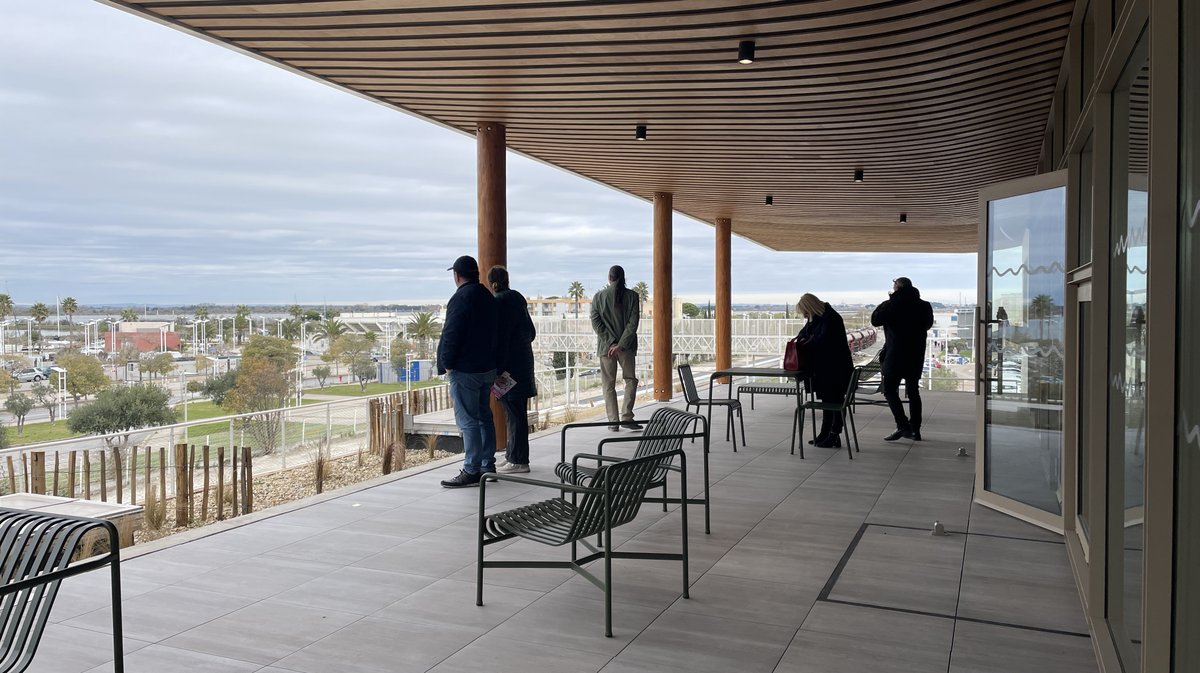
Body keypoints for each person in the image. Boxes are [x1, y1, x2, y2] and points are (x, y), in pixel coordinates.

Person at [437, 255, 499, 487]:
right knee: (484, 416)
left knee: (468, 420)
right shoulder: (488, 297)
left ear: (457, 275)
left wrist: (447, 362)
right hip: (487, 368)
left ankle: (472, 468)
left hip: (465, 369)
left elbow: (451, 332)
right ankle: (487, 465)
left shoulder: (460, 298)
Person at [871, 276, 935, 441]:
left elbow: (875, 320)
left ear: (897, 288)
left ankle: (902, 425)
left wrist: (890, 300)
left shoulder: (892, 305)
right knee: (913, 392)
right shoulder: (924, 306)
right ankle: (915, 430)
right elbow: (927, 325)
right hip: (915, 355)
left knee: (890, 390)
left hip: (895, 355)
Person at [488, 265, 537, 474]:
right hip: (524, 364)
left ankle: (518, 460)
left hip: (509, 369)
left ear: (492, 283)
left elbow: (501, 339)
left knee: (514, 415)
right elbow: (531, 333)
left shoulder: (499, 302)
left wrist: (496, 368)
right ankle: (512, 455)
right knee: (516, 413)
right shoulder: (518, 299)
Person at [795, 293, 853, 448]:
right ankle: (825, 433)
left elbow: (822, 340)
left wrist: (808, 339)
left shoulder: (830, 318)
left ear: (811, 307)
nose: (805, 316)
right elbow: (803, 334)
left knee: (835, 402)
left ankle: (834, 434)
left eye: (806, 312)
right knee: (828, 402)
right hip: (826, 368)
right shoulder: (820, 318)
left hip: (835, 369)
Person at [590, 265, 642, 431]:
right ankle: (627, 417)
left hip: (606, 349)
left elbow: (596, 323)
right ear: (623, 277)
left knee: (608, 385)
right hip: (626, 348)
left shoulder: (598, 297)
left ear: (609, 277)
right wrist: (620, 344)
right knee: (630, 380)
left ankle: (613, 422)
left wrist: (610, 342)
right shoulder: (633, 296)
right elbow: (632, 324)